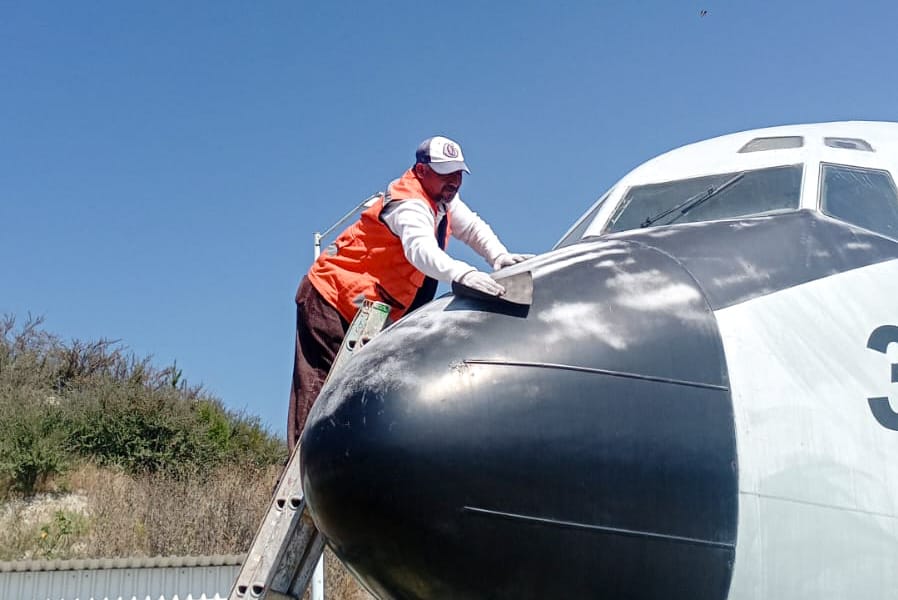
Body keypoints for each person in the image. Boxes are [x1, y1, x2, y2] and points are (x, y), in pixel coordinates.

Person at [289, 135, 532, 450]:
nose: (454, 181)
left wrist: (499, 256)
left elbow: (471, 228)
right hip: (329, 299)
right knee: (320, 393)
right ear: (421, 171)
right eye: (446, 173)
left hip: (363, 309)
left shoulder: (443, 200)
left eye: (458, 173)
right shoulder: (409, 203)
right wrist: (462, 272)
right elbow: (420, 249)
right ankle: (303, 469)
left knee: (354, 397)